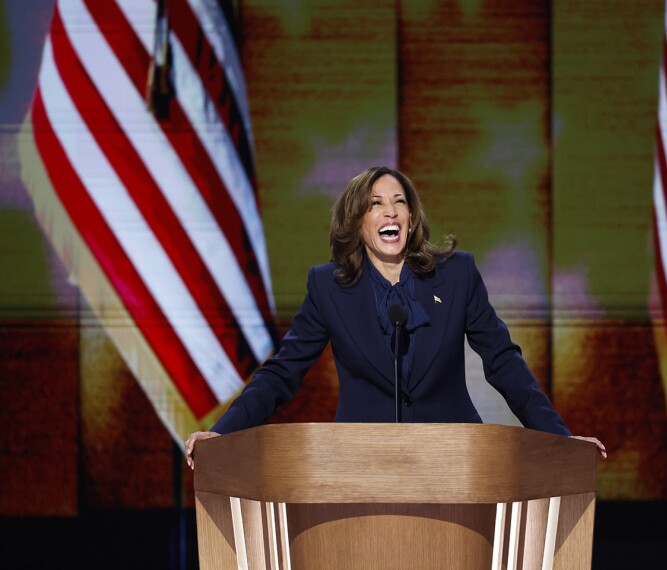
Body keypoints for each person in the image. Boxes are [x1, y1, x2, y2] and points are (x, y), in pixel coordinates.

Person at [185, 167, 605, 468]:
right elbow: (281, 374)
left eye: (399, 203)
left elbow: (503, 361)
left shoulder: (456, 275)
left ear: (410, 217)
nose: (390, 212)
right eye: (376, 204)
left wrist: (560, 441)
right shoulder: (329, 288)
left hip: (454, 463)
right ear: (357, 221)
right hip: (362, 466)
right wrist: (222, 433)